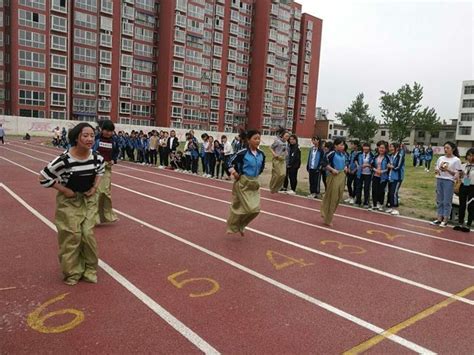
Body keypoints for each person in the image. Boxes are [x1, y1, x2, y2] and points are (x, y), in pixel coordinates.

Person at [39, 123, 105, 285]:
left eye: (92, 135)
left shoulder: (97, 157)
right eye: (85, 135)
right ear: (76, 137)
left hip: (88, 199)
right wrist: (63, 190)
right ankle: (72, 272)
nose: (90, 139)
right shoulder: (64, 160)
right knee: (72, 235)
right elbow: (43, 177)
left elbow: (100, 170)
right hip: (69, 201)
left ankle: (90, 269)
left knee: (87, 235)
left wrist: (95, 187)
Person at [226, 130, 266, 236]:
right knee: (245, 207)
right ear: (249, 140)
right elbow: (229, 162)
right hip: (243, 183)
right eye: (255, 138)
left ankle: (241, 225)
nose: (258, 140)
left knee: (256, 210)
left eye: (259, 138)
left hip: (254, 183)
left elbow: (261, 168)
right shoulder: (242, 153)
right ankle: (233, 225)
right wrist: (234, 172)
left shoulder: (262, 154)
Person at [93, 120, 119, 225]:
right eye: (106, 130)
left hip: (107, 169)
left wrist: (113, 160)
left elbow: (116, 152)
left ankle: (106, 216)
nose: (108, 133)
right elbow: (90, 150)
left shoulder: (114, 141)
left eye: (110, 131)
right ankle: (93, 218)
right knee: (96, 193)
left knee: (105, 193)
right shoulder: (96, 139)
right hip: (95, 168)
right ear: (102, 130)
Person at [431, 142, 462, 227]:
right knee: (439, 200)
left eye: (448, 148)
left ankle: (445, 219)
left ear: (453, 149)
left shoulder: (456, 160)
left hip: (449, 181)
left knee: (447, 201)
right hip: (439, 179)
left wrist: (447, 170)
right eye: (444, 148)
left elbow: (457, 174)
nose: (445, 150)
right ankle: (439, 218)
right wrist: (437, 170)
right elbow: (436, 167)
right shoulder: (441, 158)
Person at [320, 138, 348, 226]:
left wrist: (346, 167)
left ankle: (328, 214)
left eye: (343, 145)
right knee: (332, 197)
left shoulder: (344, 154)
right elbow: (323, 163)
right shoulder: (331, 153)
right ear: (335, 145)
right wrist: (332, 170)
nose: (342, 146)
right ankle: (327, 217)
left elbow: (345, 163)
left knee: (338, 197)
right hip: (333, 176)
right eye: (340, 145)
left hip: (342, 176)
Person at [453, 148, 474, 232]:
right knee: (462, 205)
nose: (470, 157)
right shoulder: (463, 165)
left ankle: (468, 225)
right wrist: (459, 175)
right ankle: (460, 223)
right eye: (469, 155)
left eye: (472, 155)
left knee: (471, 206)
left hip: (473, 187)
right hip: (464, 185)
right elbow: (457, 176)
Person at [386, 142, 405, 216]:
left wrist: (391, 166)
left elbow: (398, 167)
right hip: (391, 176)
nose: (390, 148)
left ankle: (395, 208)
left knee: (394, 192)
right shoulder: (391, 156)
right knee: (390, 192)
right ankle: (391, 206)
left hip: (397, 177)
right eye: (390, 147)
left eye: (392, 147)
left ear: (396, 148)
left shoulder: (400, 156)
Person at [269, 128, 289, 193]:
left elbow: (284, 149)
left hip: (283, 160)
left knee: (283, 174)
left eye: (288, 136)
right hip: (277, 159)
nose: (287, 137)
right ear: (282, 135)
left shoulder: (286, 142)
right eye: (286, 136)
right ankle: (272, 187)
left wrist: (286, 152)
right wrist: (274, 154)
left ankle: (277, 188)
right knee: (277, 174)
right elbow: (270, 147)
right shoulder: (277, 141)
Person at [371, 141, 390, 211]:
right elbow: (371, 166)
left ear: (385, 149)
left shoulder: (387, 157)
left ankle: (380, 204)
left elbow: (389, 168)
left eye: (383, 148)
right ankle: (374, 204)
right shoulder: (375, 156)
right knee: (374, 190)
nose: (381, 149)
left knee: (381, 191)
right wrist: (376, 170)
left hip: (383, 177)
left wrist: (382, 171)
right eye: (380, 148)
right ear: (378, 148)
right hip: (375, 176)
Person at [354, 143, 374, 208]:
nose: (365, 148)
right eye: (364, 147)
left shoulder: (372, 155)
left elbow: (373, 165)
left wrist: (368, 165)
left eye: (367, 147)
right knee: (358, 187)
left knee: (366, 188)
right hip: (360, 173)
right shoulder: (359, 154)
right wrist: (357, 165)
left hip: (368, 174)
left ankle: (366, 202)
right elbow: (355, 160)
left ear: (369, 148)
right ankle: (358, 201)